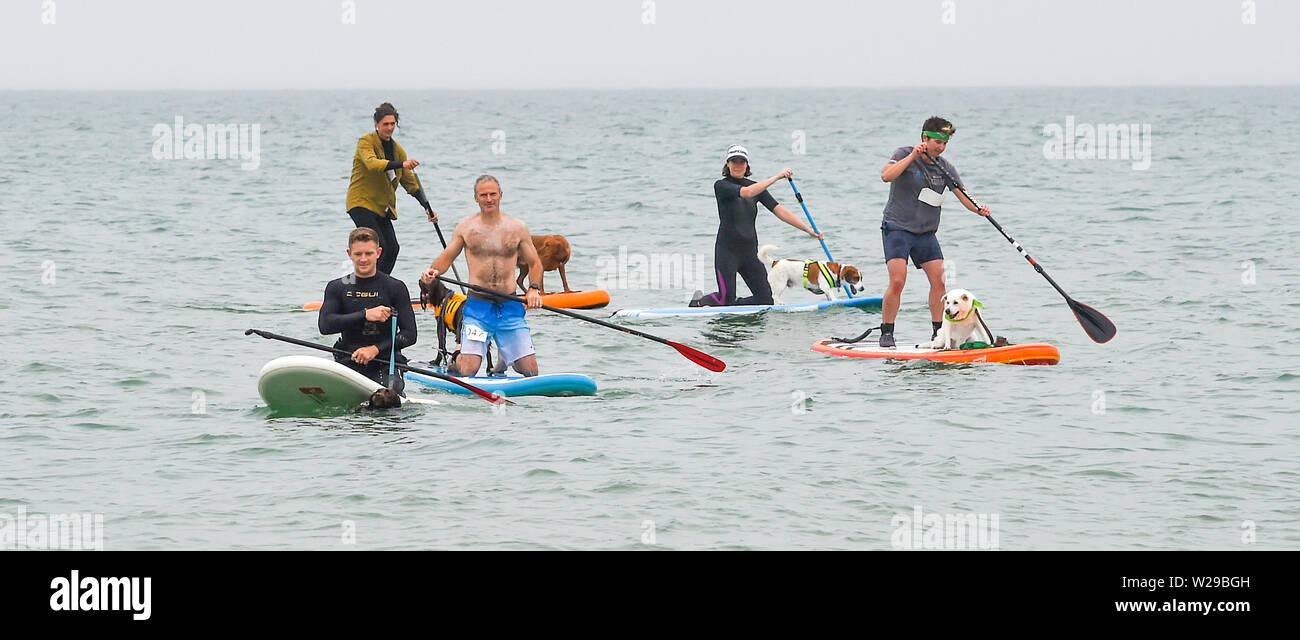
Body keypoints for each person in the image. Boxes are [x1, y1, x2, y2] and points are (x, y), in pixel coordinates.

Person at [877, 116, 991, 348]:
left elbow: (963, 195)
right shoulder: (903, 154)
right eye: (937, 141)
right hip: (897, 229)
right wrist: (912, 157)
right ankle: (887, 332)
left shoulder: (946, 167)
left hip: (925, 234)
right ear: (924, 138)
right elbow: (886, 176)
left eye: (945, 143)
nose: (940, 147)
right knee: (898, 281)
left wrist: (980, 209)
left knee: (939, 282)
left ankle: (938, 333)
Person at [420, 175, 544, 377]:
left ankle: (504, 357)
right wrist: (433, 272)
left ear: (500, 195)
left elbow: (535, 262)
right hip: (478, 309)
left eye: (493, 194)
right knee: (469, 370)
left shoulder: (517, 228)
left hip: (509, 305)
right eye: (483, 195)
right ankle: (456, 358)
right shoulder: (466, 228)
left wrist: (534, 288)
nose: (489, 199)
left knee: (530, 371)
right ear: (476, 198)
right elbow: (447, 256)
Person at [690, 144, 822, 307]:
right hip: (727, 253)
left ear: (747, 165)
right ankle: (697, 302)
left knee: (766, 300)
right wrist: (777, 177)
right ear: (727, 164)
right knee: (725, 298)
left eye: (741, 162)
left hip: (750, 254)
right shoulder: (721, 186)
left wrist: (807, 229)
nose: (738, 165)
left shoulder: (757, 187)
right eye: (734, 162)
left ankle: (735, 305)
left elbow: (780, 211)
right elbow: (747, 192)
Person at [318, 227, 418, 394]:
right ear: (349, 254)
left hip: (386, 362)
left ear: (378, 253)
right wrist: (365, 314)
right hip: (348, 358)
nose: (363, 259)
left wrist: (375, 349)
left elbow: (410, 334)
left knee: (385, 402)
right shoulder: (337, 287)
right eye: (358, 254)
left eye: (368, 254)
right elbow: (325, 326)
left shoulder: (395, 287)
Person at [345, 102, 439, 275]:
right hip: (360, 203)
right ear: (376, 124)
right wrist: (402, 164)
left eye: (392, 124)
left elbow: (411, 184)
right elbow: (372, 164)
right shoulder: (366, 142)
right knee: (378, 245)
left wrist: (427, 207)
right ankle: (366, 285)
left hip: (381, 208)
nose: (389, 128)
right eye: (385, 124)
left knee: (393, 248)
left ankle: (380, 285)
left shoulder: (397, 150)